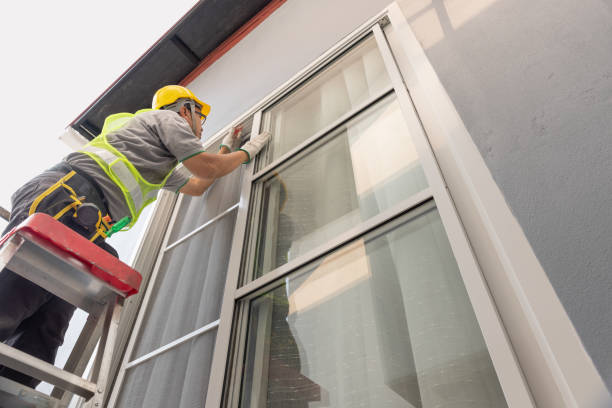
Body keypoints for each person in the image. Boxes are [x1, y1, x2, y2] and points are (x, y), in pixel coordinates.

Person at [0, 85, 270, 388]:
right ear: (185, 111)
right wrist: (245, 153)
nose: (200, 128)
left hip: (86, 221)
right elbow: (205, 167)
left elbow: (197, 184)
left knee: (49, 322)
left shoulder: (159, 162)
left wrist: (226, 149)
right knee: (17, 294)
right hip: (69, 198)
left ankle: (13, 390)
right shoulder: (165, 120)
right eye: (200, 120)